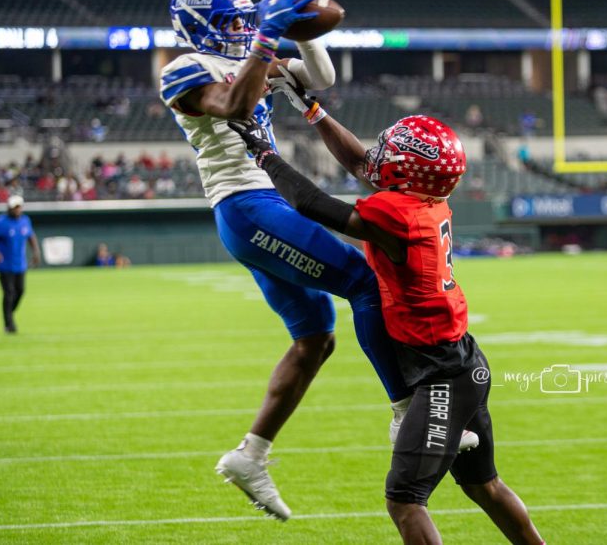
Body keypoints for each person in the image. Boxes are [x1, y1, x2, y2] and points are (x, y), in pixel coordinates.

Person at [229, 83, 545, 545]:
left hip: (439, 375)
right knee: (484, 486)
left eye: (393, 151)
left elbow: (314, 205)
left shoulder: (399, 214)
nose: (380, 154)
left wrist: (264, 155)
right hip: (461, 363)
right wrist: (313, 110)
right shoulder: (424, 201)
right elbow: (360, 163)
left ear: (410, 168)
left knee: (405, 499)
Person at [159, 0, 422, 521]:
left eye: (244, 18)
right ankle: (403, 409)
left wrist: (299, 31)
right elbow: (232, 104)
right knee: (365, 282)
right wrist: (264, 41)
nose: (240, 27)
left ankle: (250, 455)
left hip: (259, 208)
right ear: (198, 26)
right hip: (247, 204)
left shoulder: (252, 56)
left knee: (315, 338)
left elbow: (319, 76)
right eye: (229, 21)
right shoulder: (184, 69)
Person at [0, 195, 41, 334]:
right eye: (15, 207)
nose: (17, 209)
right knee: (9, 293)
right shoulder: (1, 222)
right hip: (4, 264)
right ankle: (9, 324)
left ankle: (8, 313)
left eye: (19, 207)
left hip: (20, 264)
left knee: (20, 291)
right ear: (9, 208)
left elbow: (31, 236)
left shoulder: (25, 221)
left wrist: (36, 252)